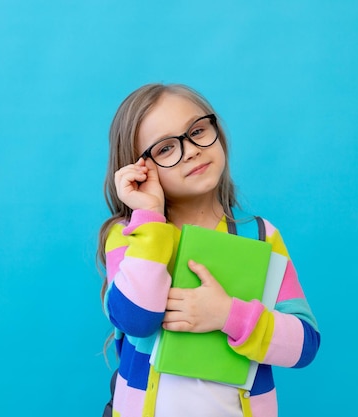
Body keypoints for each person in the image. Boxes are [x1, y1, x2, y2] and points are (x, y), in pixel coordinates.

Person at [97, 83, 320, 417]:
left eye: (197, 131)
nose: (190, 150)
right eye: (165, 149)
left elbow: (304, 346)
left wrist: (228, 314)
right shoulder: (131, 237)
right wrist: (151, 221)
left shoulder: (259, 236)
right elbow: (136, 319)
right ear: (140, 169)